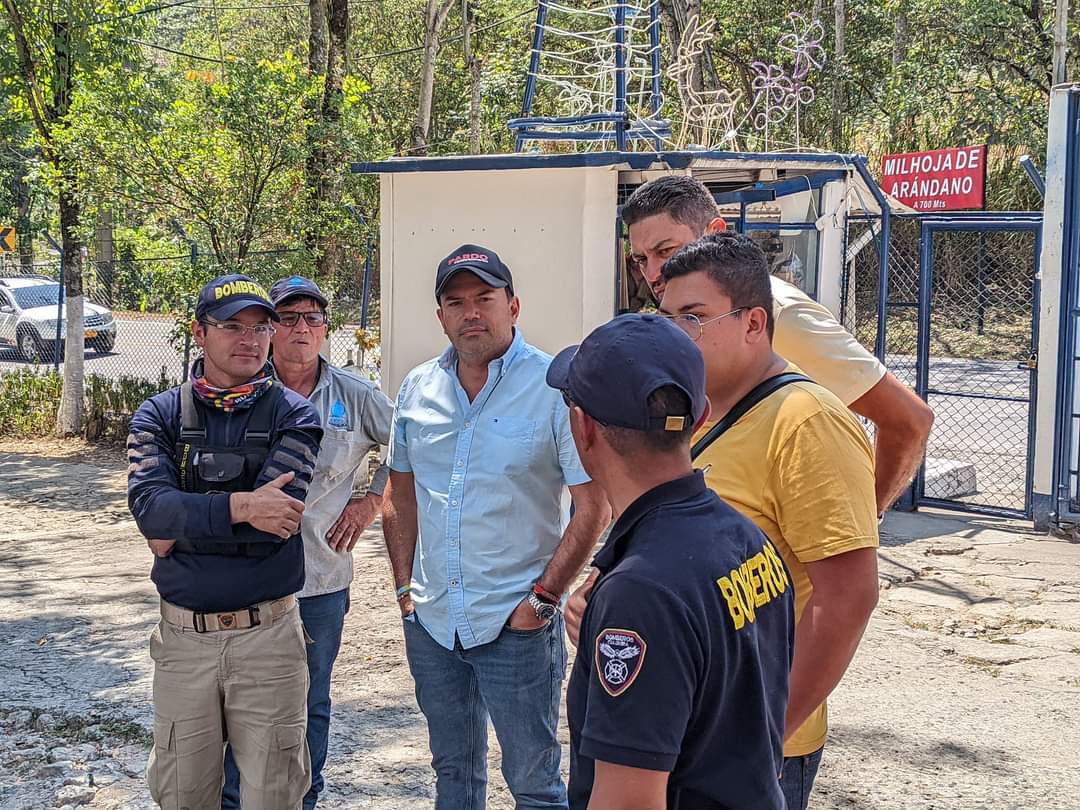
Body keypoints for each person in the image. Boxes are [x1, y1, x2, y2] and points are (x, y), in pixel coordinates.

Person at [382, 244, 611, 809]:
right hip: (433, 623)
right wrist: (406, 591)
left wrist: (543, 599)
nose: (471, 313)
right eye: (456, 302)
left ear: (513, 305)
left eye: (484, 298)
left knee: (534, 783)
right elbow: (398, 494)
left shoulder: (555, 389)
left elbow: (594, 505)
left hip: (517, 625)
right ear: (440, 316)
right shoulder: (417, 388)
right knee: (453, 774)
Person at [547, 314, 795, 810]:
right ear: (700, 417)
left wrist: (624, 613)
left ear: (582, 427)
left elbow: (628, 803)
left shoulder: (641, 592)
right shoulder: (746, 538)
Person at [621, 174, 933, 512]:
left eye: (666, 251)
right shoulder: (676, 321)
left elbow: (908, 420)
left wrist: (864, 519)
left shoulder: (780, 315)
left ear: (715, 232)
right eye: (641, 259)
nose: (653, 273)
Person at [127, 273, 323, 810]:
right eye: (233, 326)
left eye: (261, 328)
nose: (250, 340)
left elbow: (275, 524)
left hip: (269, 641)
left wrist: (186, 521)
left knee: (274, 795)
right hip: (183, 642)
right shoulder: (160, 414)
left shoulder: (295, 414)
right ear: (199, 333)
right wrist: (241, 506)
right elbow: (151, 511)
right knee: (182, 795)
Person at [220, 275, 394, 810]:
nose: (301, 328)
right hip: (243, 579)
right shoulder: (241, 388)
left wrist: (370, 501)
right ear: (270, 329)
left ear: (325, 330)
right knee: (239, 702)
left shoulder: (355, 396)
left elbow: (411, 445)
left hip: (320, 580)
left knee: (310, 700)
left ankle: (303, 799)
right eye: (288, 318)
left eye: (312, 318)